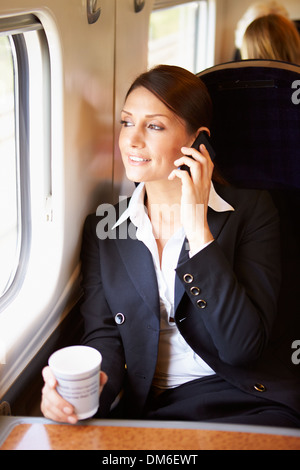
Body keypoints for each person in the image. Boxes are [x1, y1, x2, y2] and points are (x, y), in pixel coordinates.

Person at [41, 65, 300, 428]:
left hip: (245, 397)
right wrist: (87, 391)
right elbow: (104, 337)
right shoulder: (105, 228)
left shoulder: (252, 212)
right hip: (155, 407)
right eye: (127, 122)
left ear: (199, 142)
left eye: (154, 126)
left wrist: (198, 229)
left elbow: (242, 348)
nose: (132, 140)